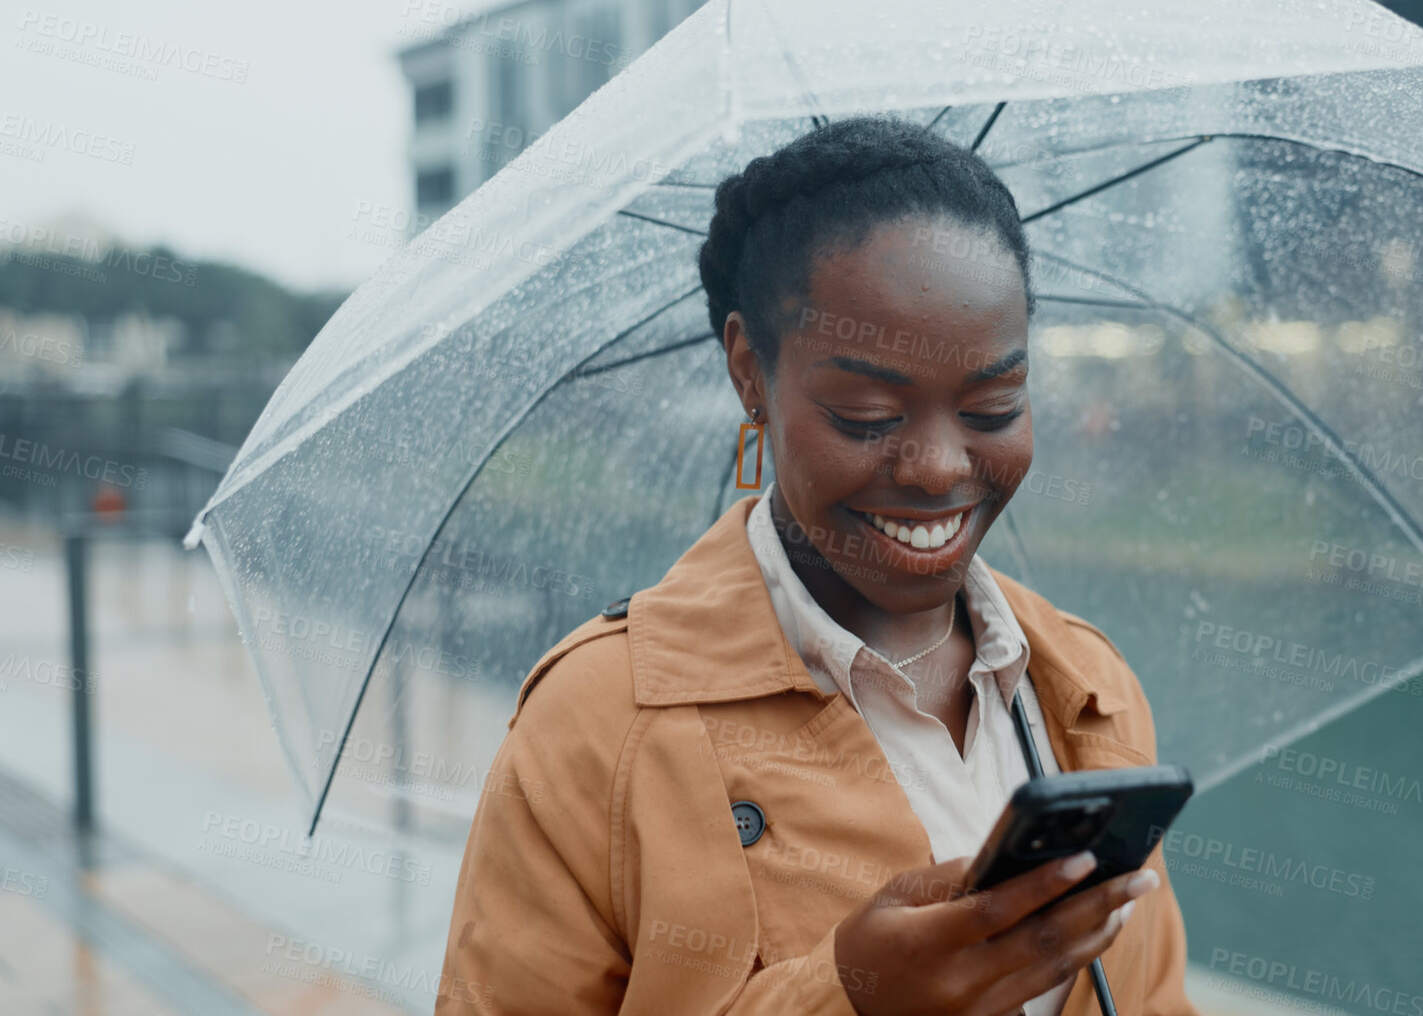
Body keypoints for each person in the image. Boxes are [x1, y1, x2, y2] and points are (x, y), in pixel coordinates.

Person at [436, 116, 1199, 1016]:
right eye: (867, 413)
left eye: (994, 405)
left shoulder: (1088, 688)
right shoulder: (595, 727)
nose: (939, 468)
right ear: (749, 372)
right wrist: (852, 998)